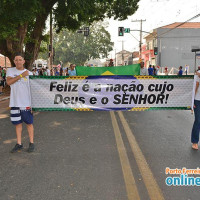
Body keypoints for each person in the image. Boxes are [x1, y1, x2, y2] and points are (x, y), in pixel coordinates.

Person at [6, 53, 34, 153]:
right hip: (14, 103)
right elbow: (9, 82)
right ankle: (19, 144)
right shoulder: (10, 71)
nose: (18, 61)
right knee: (17, 124)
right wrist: (22, 75)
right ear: (14, 61)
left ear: (23, 61)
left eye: (20, 59)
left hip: (26, 103)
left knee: (29, 123)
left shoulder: (30, 73)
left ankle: (31, 143)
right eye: (16, 60)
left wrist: (33, 105)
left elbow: (33, 90)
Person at [191, 69, 200, 150]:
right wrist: (192, 101)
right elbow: (195, 87)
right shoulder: (198, 74)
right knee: (198, 120)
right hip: (198, 100)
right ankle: (195, 141)